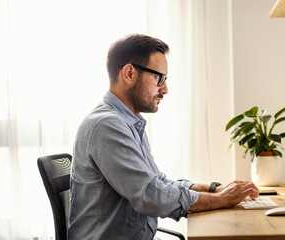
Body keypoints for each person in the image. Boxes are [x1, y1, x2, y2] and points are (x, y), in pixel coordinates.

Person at [68, 34, 259, 240]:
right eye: (159, 78)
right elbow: (152, 197)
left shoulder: (128, 123)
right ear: (129, 73)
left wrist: (215, 189)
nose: (165, 89)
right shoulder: (106, 126)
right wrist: (223, 199)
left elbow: (157, 182)